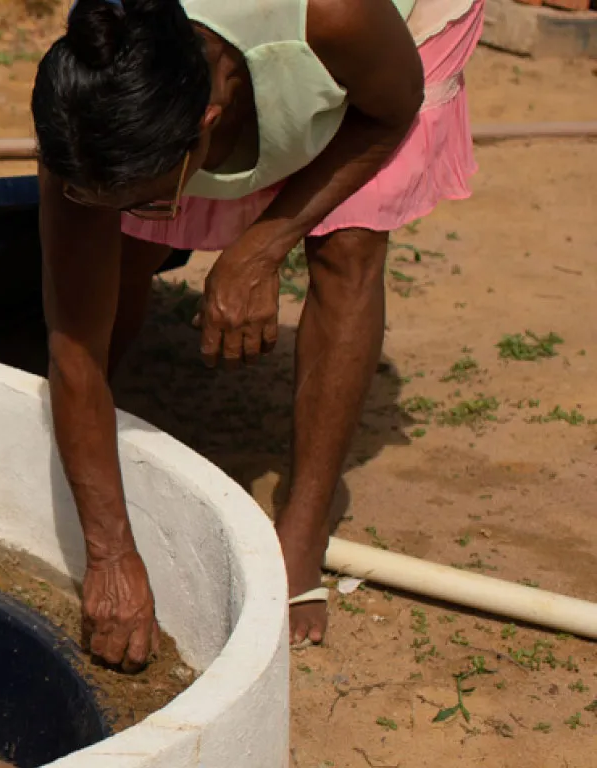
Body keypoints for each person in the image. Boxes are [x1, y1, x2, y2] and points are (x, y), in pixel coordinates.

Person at [30, 0, 485, 668]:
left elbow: (392, 109)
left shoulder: (335, 18)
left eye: (153, 195)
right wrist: (111, 555)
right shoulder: (97, 83)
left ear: (209, 123)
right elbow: (73, 349)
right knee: (118, 250)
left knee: (347, 245)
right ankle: (104, 449)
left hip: (385, 46)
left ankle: (302, 530)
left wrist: (264, 244)